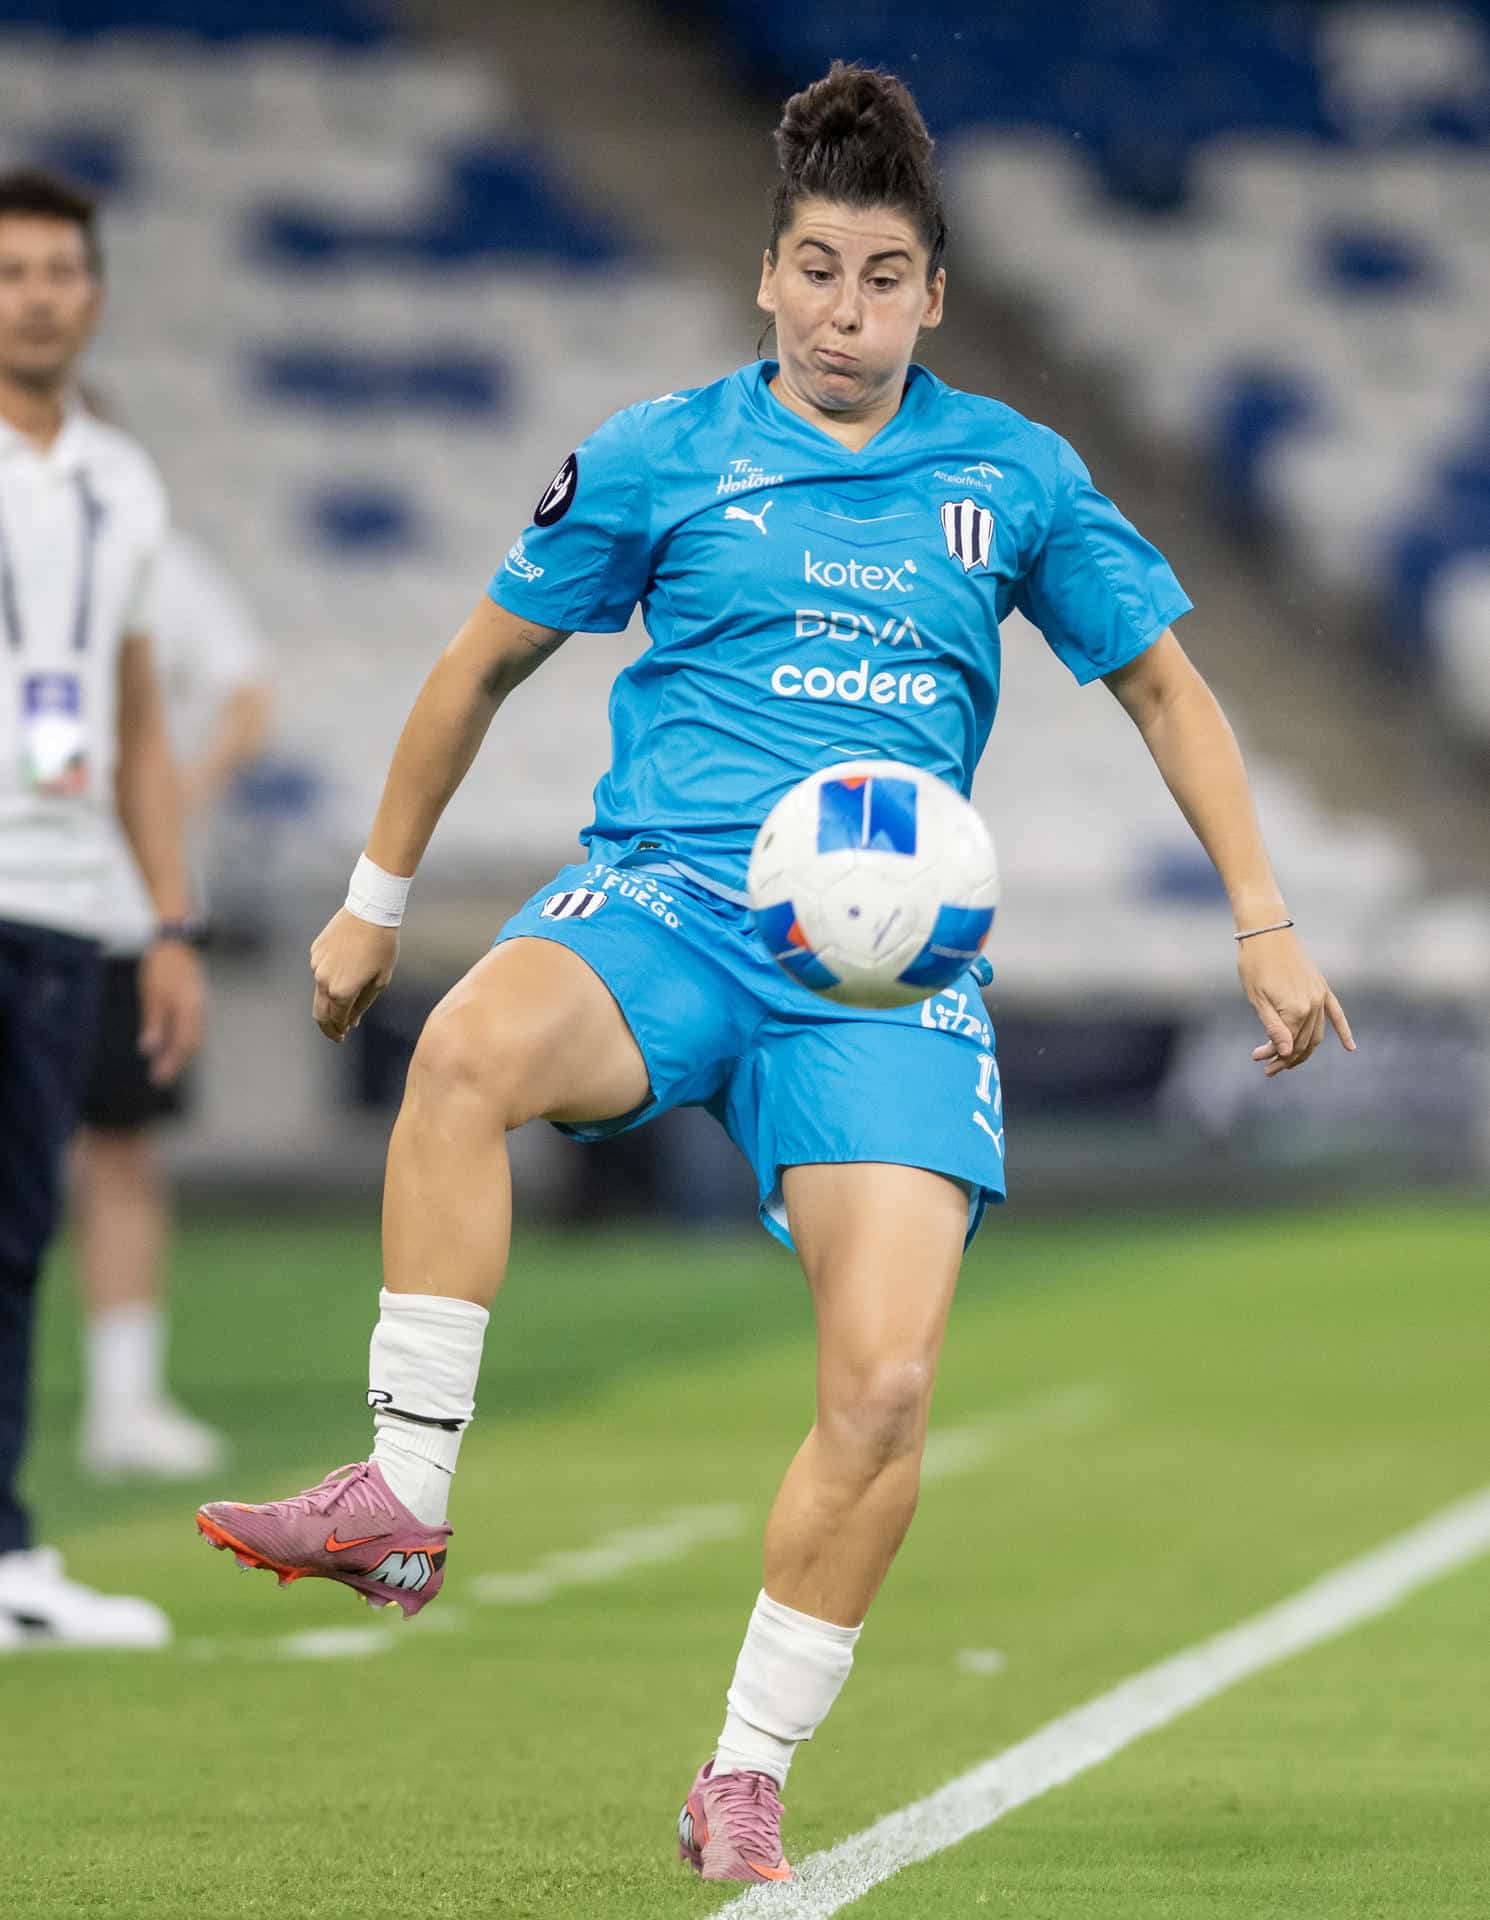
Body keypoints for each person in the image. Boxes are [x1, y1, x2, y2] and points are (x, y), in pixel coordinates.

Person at [197, 66, 1354, 1879]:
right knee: (466, 1052)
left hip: (886, 981)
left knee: (884, 1390)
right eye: (817, 269)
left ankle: (744, 1770)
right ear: (766, 276)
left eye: (884, 278)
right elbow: (472, 669)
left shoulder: (1013, 476)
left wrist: (1265, 916)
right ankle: (401, 1497)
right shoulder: (661, 452)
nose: (846, 312)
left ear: (936, 298)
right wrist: (368, 898)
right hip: (668, 907)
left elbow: (1162, 685)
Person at [0, 169, 205, 1646]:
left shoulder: (123, 478)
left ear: (98, 289)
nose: (40, 295)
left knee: (16, 1233)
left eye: (61, 270)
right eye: (13, 273)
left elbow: (136, 710)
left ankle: (6, 1557)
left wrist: (170, 921)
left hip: (71, 905)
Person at [74, 518, 272, 1480]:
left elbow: (246, 689)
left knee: (121, 1150)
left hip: (113, 907)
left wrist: (174, 791)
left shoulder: (140, 548)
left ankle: (121, 1400)